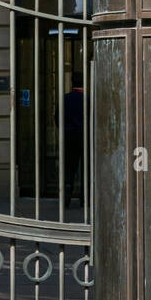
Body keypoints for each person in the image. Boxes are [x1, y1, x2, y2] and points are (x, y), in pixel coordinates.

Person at [62, 72, 85, 208]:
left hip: (69, 136)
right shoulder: (87, 99)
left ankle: (67, 192)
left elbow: (58, 118)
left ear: (72, 83)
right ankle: (84, 198)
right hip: (84, 136)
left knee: (70, 167)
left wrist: (66, 129)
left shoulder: (65, 99)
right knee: (85, 168)